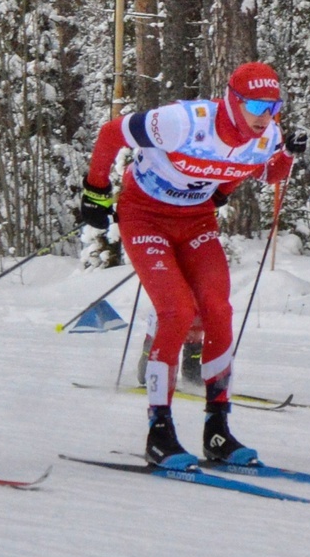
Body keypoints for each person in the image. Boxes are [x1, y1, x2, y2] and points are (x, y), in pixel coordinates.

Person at [79, 61, 296, 469]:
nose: (263, 117)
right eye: (255, 106)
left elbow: (260, 171)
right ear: (232, 100)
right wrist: (96, 190)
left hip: (195, 220)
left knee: (217, 308)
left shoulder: (267, 134)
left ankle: (218, 430)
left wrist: (281, 159)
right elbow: (111, 134)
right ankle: (159, 431)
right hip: (144, 215)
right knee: (177, 310)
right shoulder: (182, 122)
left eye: (273, 107)